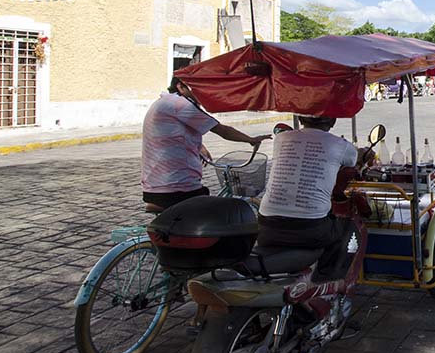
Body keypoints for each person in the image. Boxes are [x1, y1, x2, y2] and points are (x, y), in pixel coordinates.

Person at [257, 115, 370, 283]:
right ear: (332, 121)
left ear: (301, 118)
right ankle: (327, 280)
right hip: (310, 231)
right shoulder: (341, 145)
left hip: (266, 227)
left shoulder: (281, 138)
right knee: (348, 227)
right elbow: (353, 161)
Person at [141, 79, 270, 211]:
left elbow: (175, 133)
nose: (202, 91)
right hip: (175, 185)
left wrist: (199, 146)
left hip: (155, 184)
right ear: (180, 87)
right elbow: (222, 131)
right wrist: (250, 139)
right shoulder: (179, 104)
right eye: (196, 86)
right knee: (212, 214)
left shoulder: (165, 102)